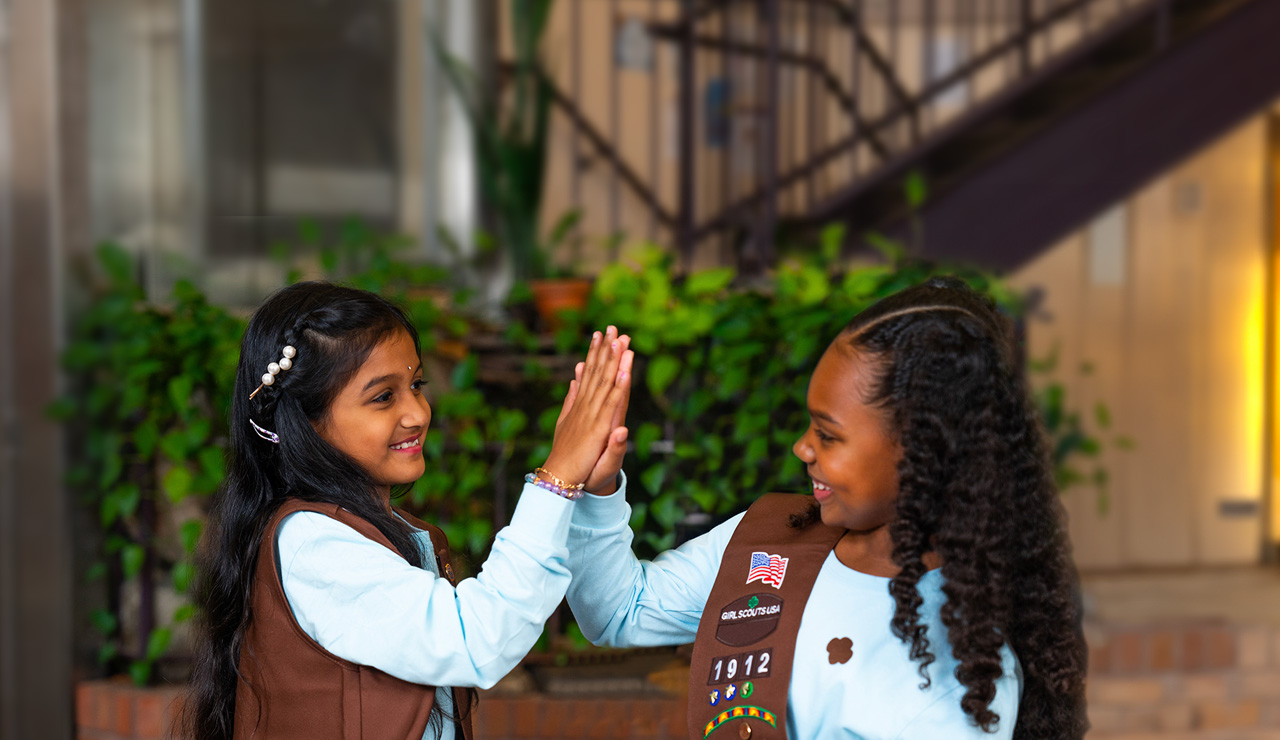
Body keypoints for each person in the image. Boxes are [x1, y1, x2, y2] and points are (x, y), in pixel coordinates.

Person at [565, 277, 1088, 740]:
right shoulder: (772, 539)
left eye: (829, 435)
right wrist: (598, 487)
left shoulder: (965, 678)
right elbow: (621, 612)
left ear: (925, 453)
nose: (803, 447)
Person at [182, 281, 634, 740]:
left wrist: (588, 486)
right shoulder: (312, 544)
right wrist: (557, 477)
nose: (417, 413)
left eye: (416, 384)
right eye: (383, 397)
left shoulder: (389, 532)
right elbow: (476, 640)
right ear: (307, 422)